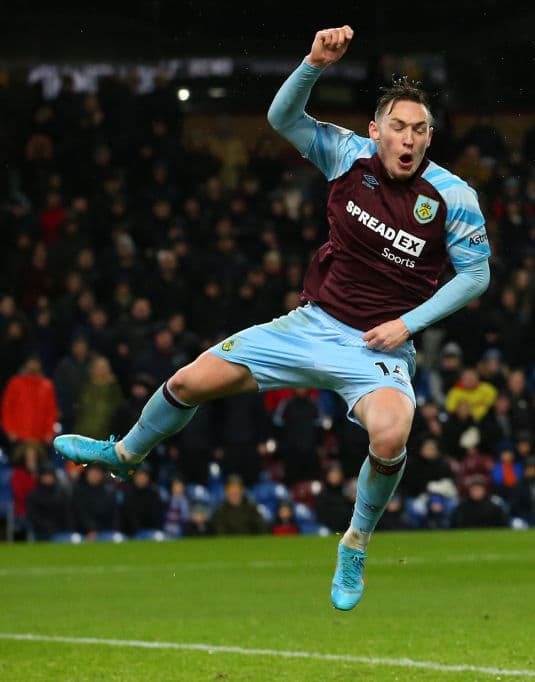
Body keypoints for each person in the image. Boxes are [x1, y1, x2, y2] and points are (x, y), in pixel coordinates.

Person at [53, 24, 490, 612]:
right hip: (310, 326)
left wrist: (408, 325)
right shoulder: (345, 154)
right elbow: (283, 119)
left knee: (392, 433)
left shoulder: (452, 197)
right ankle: (126, 455)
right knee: (186, 382)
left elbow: (475, 275)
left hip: (378, 348)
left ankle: (356, 542)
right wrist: (312, 63)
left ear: (429, 136)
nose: (408, 139)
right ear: (375, 131)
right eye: (397, 127)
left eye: (419, 130)